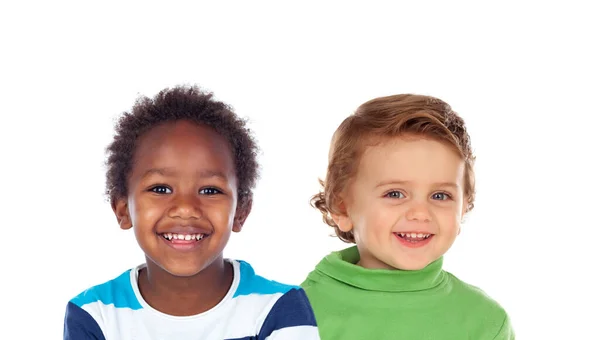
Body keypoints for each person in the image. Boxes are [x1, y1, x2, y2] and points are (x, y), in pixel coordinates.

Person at [64, 86, 319, 339]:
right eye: (160, 188)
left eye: (210, 191)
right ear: (122, 209)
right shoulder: (95, 315)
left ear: (241, 211)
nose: (185, 208)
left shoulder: (278, 309)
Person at [301, 94, 514, 339]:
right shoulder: (299, 314)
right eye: (395, 193)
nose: (420, 213)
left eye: (440, 196)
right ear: (342, 208)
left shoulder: (484, 321)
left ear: (464, 206)